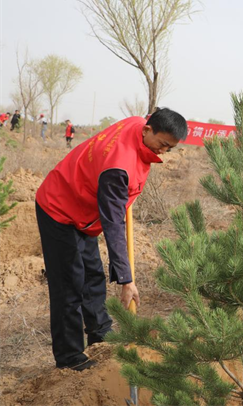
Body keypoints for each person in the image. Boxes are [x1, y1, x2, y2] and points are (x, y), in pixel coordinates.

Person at [35, 108, 187, 371]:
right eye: (163, 144)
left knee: (93, 276)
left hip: (83, 209)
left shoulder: (140, 123)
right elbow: (113, 224)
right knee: (69, 286)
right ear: (148, 130)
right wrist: (127, 280)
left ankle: (100, 335)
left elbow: (151, 114)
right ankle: (70, 358)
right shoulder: (119, 168)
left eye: (170, 148)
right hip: (59, 208)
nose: (164, 152)